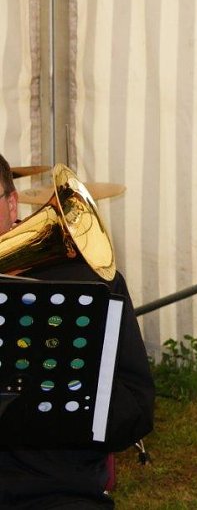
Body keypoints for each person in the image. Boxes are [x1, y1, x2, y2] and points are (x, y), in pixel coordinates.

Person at [0, 154, 155, 508]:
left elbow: (136, 407)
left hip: (54, 489)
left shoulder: (86, 283)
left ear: (12, 204)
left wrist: (70, 381)